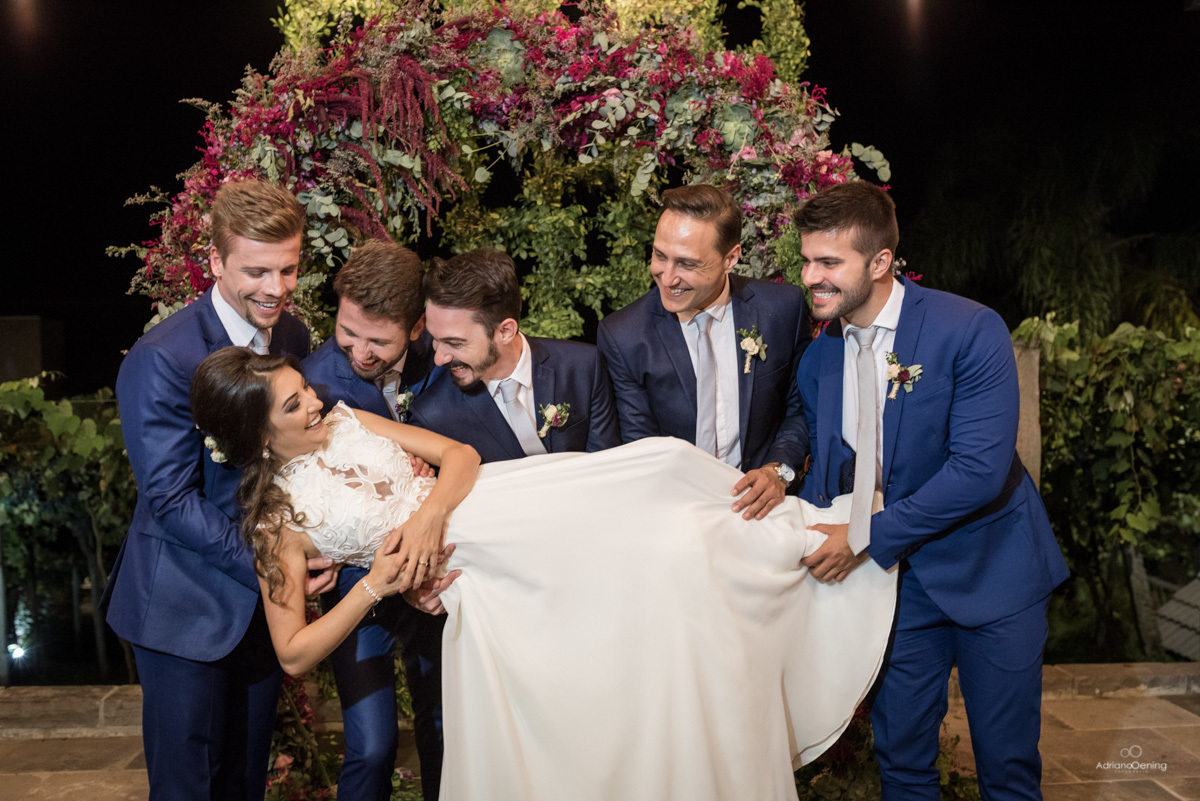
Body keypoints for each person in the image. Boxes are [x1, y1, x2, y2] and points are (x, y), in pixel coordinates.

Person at [190, 345, 900, 801]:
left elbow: (460, 456)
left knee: (662, 482)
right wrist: (377, 582)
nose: (313, 401)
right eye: (293, 404)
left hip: (502, 504)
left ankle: (811, 534)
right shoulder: (277, 523)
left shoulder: (351, 420)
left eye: (303, 389)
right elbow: (293, 651)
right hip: (487, 582)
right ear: (257, 433)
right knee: (615, 639)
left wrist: (430, 515)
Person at [792, 180, 1069, 800]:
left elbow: (979, 470)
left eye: (830, 262)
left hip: (993, 573)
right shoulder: (819, 360)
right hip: (897, 587)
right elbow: (833, 476)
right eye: (808, 259)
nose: (812, 276)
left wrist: (862, 539)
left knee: (1006, 768)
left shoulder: (969, 329)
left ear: (881, 262)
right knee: (904, 763)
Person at [103, 179, 335, 801]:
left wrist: (322, 539)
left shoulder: (290, 338)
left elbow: (288, 458)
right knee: (188, 790)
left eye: (288, 269)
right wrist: (276, 570)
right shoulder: (164, 357)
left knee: (244, 783)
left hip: (258, 612)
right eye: (257, 271)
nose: (277, 288)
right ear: (216, 262)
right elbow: (171, 500)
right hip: (183, 608)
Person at [302, 239, 445, 801]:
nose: (358, 352)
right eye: (347, 332)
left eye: (378, 340)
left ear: (416, 329)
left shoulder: (447, 355)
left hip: (436, 573)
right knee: (370, 745)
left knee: (442, 729)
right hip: (359, 588)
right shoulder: (314, 379)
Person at [597, 184, 811, 521]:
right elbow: (642, 450)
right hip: (676, 510)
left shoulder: (783, 309)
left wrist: (777, 472)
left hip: (767, 509)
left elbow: (799, 409)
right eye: (659, 255)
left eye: (687, 264)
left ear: (731, 258)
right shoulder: (624, 335)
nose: (667, 278)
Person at [409, 247, 621, 460]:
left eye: (454, 343)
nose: (439, 358)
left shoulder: (583, 367)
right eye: (435, 339)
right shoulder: (432, 416)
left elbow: (607, 465)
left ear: (505, 331)